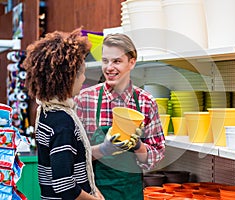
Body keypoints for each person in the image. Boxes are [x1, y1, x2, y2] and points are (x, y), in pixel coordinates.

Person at [74, 33, 166, 200]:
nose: (109, 67)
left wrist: (138, 146)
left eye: (117, 61)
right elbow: (74, 155)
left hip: (131, 192)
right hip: (95, 193)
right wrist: (103, 150)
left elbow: (156, 155)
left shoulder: (146, 102)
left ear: (132, 62)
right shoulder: (84, 100)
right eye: (105, 61)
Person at [23, 28, 104, 200]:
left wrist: (93, 190)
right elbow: (65, 186)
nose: (83, 78)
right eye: (81, 72)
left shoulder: (46, 111)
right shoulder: (63, 122)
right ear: (67, 77)